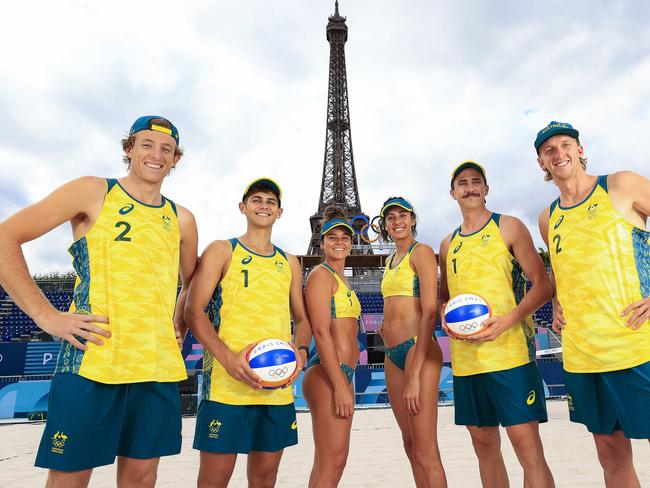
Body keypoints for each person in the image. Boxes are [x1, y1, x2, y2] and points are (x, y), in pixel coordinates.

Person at [0, 115, 199, 488]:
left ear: (176, 160)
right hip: (94, 358)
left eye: (166, 149)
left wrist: (179, 323)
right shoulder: (93, 191)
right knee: (70, 477)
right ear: (128, 149)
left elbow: (191, 285)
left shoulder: (182, 219)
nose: (157, 154)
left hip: (155, 364)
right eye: (146, 144)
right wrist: (46, 315)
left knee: (142, 477)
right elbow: (5, 237)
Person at [535, 121, 650, 488]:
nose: (559, 153)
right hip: (583, 353)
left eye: (566, 144)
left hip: (635, 344)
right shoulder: (547, 217)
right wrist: (555, 300)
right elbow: (562, 268)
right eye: (549, 150)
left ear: (580, 150)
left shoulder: (621, 184)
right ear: (542, 163)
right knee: (609, 455)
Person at [184, 177, 311, 488]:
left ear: (280, 212)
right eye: (256, 199)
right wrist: (228, 359)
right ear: (243, 207)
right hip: (227, 386)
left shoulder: (290, 262)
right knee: (215, 479)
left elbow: (302, 320)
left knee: (265, 478)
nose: (264, 205)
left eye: (271, 201)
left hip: (275, 386)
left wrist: (302, 353)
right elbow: (192, 310)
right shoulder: (222, 250)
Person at [438, 161, 554, 488]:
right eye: (462, 183)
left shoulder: (509, 226)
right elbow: (443, 298)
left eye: (477, 181)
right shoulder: (447, 244)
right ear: (453, 193)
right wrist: (447, 318)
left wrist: (509, 320)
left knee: (527, 448)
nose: (470, 187)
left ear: (487, 189)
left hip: (511, 355)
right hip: (467, 363)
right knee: (484, 448)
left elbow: (543, 285)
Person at [378, 197, 447, 487]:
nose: (397, 221)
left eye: (402, 215)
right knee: (409, 444)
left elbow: (430, 310)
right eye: (390, 217)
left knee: (425, 448)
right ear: (385, 225)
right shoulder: (389, 260)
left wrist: (416, 373)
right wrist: (387, 326)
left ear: (413, 219)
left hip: (418, 348)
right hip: (392, 351)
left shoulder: (421, 253)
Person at [302, 207, 361, 487]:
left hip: (341, 372)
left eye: (345, 237)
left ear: (352, 242)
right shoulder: (321, 276)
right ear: (322, 243)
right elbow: (321, 332)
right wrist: (339, 384)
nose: (339, 242)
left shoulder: (341, 278)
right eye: (332, 237)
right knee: (332, 460)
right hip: (328, 373)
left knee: (333, 460)